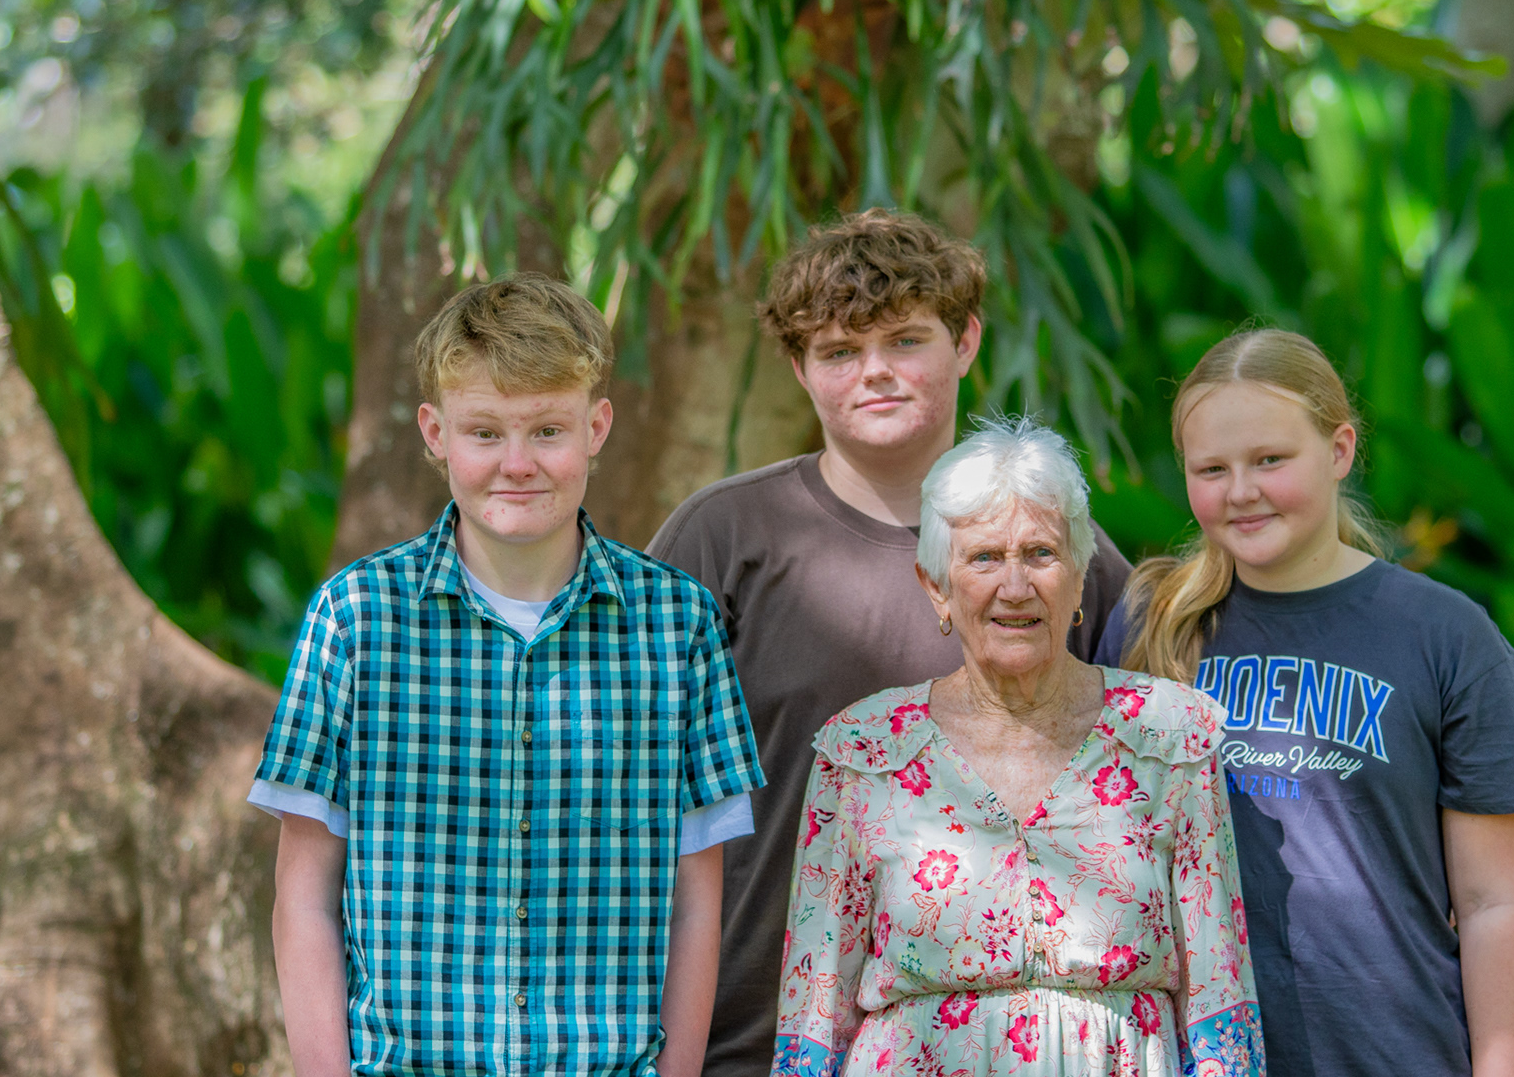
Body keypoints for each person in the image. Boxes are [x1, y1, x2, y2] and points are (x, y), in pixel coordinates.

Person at [646, 210, 1133, 1077]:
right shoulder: (723, 541)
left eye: (905, 340)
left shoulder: (1057, 556)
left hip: (996, 1046)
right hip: (746, 1038)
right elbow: (630, 802)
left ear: (966, 341)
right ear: (799, 369)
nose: (875, 370)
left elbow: (1151, 791)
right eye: (839, 351)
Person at [248, 275, 766, 1077]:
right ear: (435, 433)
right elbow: (305, 897)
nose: (517, 464)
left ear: (596, 427)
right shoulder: (354, 620)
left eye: (548, 430)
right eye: (484, 433)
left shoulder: (678, 625)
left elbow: (696, 904)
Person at [1097, 327, 1514, 1077]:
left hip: (1392, 1055)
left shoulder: (1447, 639)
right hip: (1186, 1056)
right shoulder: (1149, 628)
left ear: (1339, 451)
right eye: (1212, 469)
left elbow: (1494, 903)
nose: (1241, 491)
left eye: (1270, 460)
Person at [771, 418, 1263, 1077]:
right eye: (983, 558)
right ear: (937, 586)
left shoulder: (1170, 737)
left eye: (1040, 554)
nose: (1014, 586)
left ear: (1080, 574)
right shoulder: (863, 752)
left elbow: (1219, 1001)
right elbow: (813, 1017)